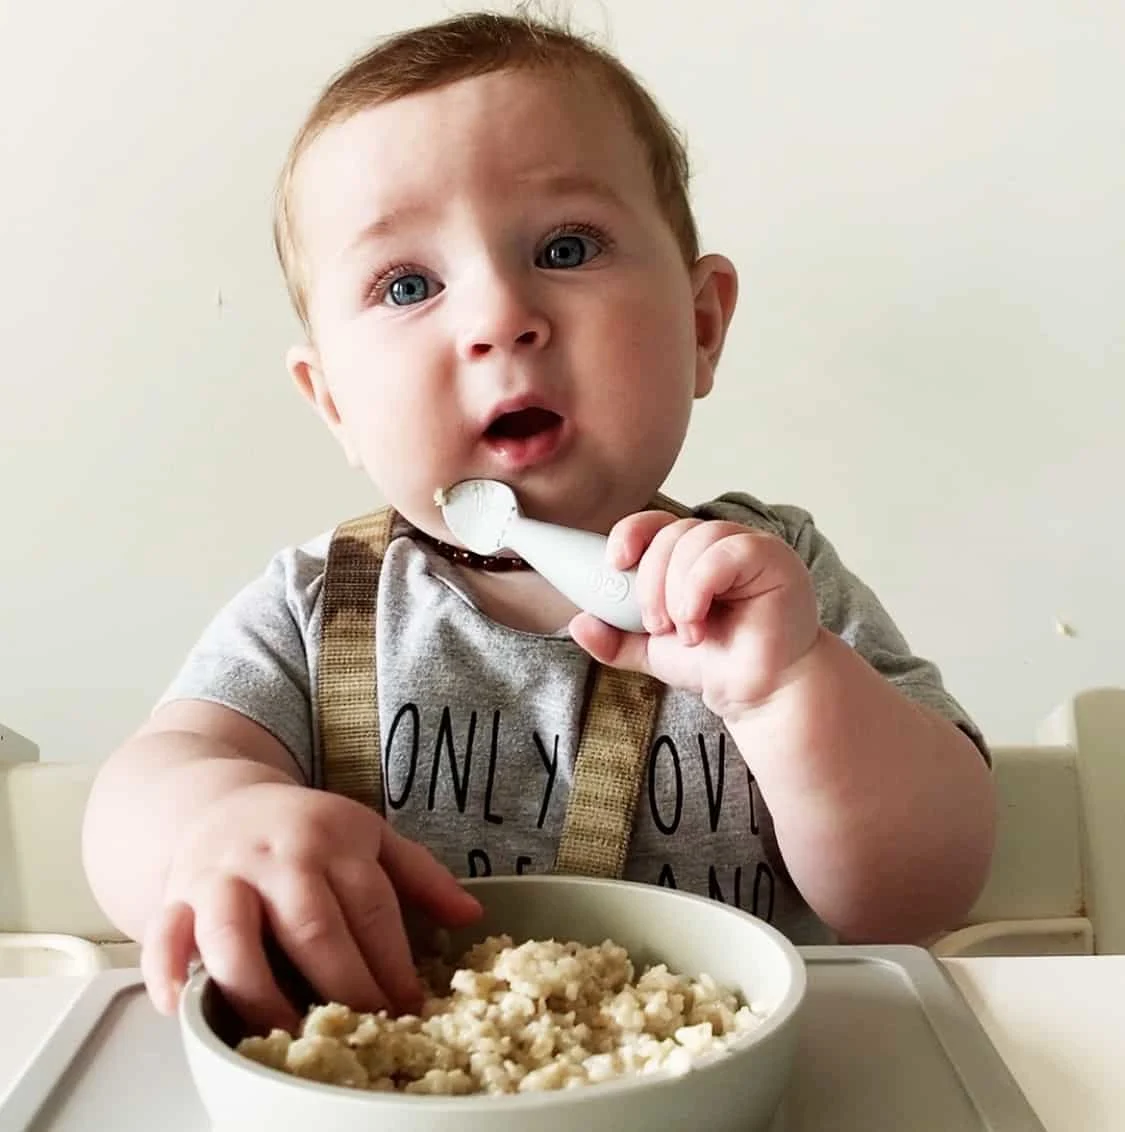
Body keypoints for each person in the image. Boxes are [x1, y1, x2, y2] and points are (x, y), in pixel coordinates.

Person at [82, 10, 996, 1035]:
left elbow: (926, 890)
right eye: (408, 284)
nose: (498, 317)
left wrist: (791, 689)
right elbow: (140, 790)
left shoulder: (776, 585)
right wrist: (213, 821)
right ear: (332, 400)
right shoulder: (314, 610)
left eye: (566, 246)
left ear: (701, 325)